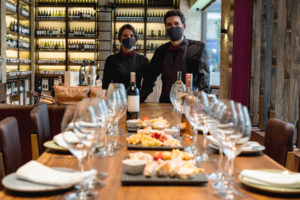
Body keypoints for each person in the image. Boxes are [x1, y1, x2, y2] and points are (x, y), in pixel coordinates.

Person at [140, 10, 210, 103]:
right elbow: (149, 78)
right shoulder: (161, 51)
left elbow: (203, 82)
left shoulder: (198, 48)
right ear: (166, 28)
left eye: (176, 24)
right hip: (165, 104)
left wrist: (201, 105)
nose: (173, 27)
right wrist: (138, 101)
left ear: (184, 26)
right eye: (169, 24)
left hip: (188, 105)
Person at [102, 24, 150, 91]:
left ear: (135, 39)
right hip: (118, 100)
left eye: (132, 36)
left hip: (136, 99)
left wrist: (140, 97)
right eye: (125, 36)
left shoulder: (143, 60)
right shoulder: (111, 60)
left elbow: (148, 84)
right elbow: (105, 86)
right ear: (120, 39)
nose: (129, 38)